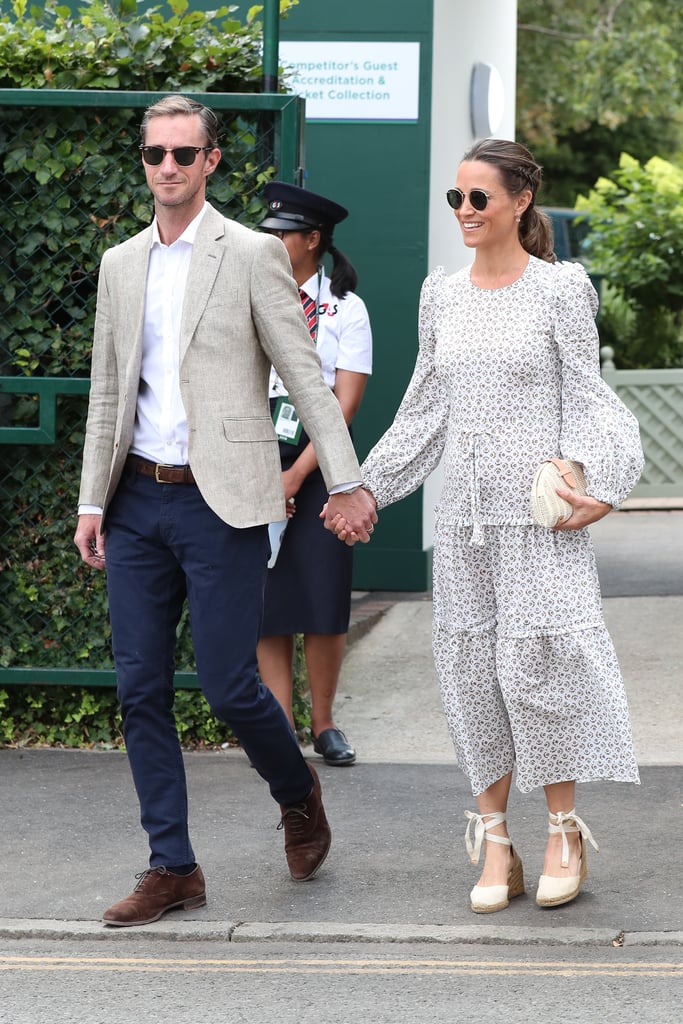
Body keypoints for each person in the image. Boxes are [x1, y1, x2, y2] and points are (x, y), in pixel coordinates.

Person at [73, 94, 377, 927]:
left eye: (182, 153)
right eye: (153, 154)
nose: (165, 167)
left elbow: (307, 377)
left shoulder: (250, 255)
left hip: (224, 502)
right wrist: (92, 499)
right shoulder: (119, 263)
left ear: (210, 162)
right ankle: (172, 867)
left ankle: (297, 793)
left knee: (230, 684)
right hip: (136, 499)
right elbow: (109, 390)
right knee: (139, 687)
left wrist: (344, 481)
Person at [328, 138, 643, 914]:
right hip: (465, 524)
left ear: (519, 202)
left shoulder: (559, 290)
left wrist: (597, 482)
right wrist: (365, 489)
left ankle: (562, 831)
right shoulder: (443, 294)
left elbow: (586, 395)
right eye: (455, 199)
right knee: (473, 678)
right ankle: (495, 840)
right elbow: (425, 408)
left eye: (479, 198)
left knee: (541, 674)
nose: (464, 212)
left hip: (539, 521)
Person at [256, 182, 373, 767]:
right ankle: (279, 730)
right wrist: (266, 473)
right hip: (256, 457)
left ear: (312, 240)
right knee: (266, 597)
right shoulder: (250, 296)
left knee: (323, 595)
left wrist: (298, 475)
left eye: (282, 235)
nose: (272, 242)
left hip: (323, 465)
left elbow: (343, 406)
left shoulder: (345, 310)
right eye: (268, 233)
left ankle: (324, 723)